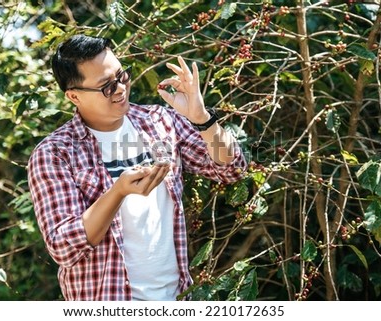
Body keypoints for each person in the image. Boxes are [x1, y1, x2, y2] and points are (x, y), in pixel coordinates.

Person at [27, 34, 247, 301]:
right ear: (74, 96)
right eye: (106, 86)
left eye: (122, 76)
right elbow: (63, 247)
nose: (120, 88)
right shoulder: (55, 153)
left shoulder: (158, 122)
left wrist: (202, 119)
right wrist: (118, 192)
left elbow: (231, 169)